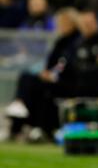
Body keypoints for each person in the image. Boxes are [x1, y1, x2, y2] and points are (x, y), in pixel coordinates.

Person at [6, 7, 81, 140]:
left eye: (63, 22)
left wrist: (53, 74)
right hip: (55, 78)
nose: (60, 26)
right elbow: (52, 61)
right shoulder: (61, 41)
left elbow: (65, 63)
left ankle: (28, 125)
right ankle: (19, 106)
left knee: (39, 87)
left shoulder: (77, 42)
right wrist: (46, 72)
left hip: (68, 82)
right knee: (26, 77)